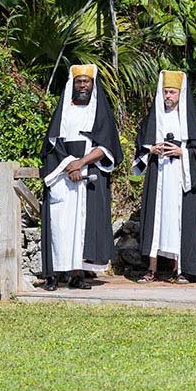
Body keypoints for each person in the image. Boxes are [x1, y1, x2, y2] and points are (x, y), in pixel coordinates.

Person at [40, 64, 123, 291]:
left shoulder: (99, 112)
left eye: (87, 81)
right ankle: (53, 275)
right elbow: (53, 142)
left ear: (93, 84)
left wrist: (82, 162)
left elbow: (107, 145)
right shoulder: (64, 110)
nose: (83, 85)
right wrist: (70, 165)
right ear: (73, 84)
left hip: (89, 173)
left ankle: (77, 274)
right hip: (63, 173)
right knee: (60, 224)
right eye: (79, 81)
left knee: (81, 227)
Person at [133, 70, 196, 284]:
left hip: (181, 176)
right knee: (156, 219)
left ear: (180, 93)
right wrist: (151, 149)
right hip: (159, 175)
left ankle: (179, 268)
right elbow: (141, 144)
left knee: (178, 220)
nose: (168, 96)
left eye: (172, 92)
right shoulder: (156, 117)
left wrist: (182, 152)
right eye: (165, 92)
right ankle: (151, 268)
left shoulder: (188, 118)